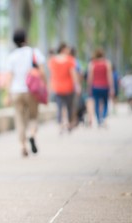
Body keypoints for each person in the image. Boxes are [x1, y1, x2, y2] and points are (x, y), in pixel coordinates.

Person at [5, 29, 46, 157]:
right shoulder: (34, 53)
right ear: (26, 39)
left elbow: (9, 77)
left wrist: (8, 94)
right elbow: (42, 72)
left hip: (16, 91)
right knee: (33, 117)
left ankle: (23, 146)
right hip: (31, 91)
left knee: (19, 119)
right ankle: (32, 134)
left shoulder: (12, 56)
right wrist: (45, 86)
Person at [48, 43, 81, 133]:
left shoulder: (52, 60)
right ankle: (69, 123)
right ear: (63, 49)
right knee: (69, 106)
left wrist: (50, 86)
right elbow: (73, 73)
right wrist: (77, 85)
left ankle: (60, 124)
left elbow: (52, 75)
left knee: (59, 107)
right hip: (68, 87)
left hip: (57, 87)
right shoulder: (70, 60)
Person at [87, 48, 114, 127]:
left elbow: (90, 77)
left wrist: (89, 86)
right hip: (105, 86)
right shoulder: (107, 63)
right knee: (105, 103)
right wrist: (112, 87)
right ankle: (104, 117)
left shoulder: (92, 64)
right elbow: (109, 76)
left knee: (96, 103)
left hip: (95, 86)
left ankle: (99, 120)